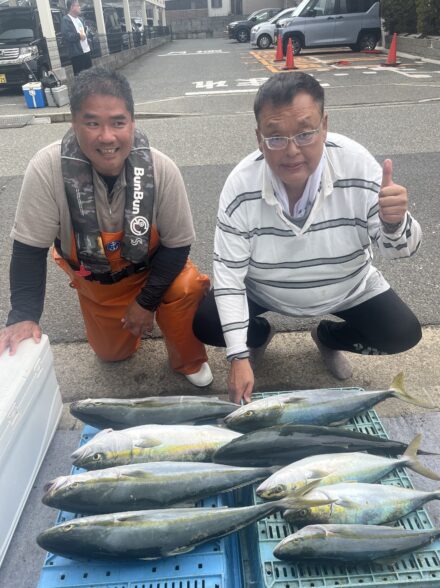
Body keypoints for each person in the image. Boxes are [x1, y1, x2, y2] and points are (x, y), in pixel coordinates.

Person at [193, 72, 422, 403]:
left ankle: (327, 337)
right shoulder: (240, 186)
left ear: (324, 125)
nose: (291, 151)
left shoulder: (358, 165)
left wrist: (394, 223)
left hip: (348, 287)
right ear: (259, 137)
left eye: (305, 133)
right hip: (266, 290)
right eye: (275, 137)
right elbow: (228, 277)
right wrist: (238, 357)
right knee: (205, 322)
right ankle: (256, 337)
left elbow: (401, 250)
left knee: (402, 333)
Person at [0, 66, 213, 387]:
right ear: (73, 124)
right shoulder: (47, 168)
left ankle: (187, 358)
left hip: (151, 271)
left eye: (118, 122)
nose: (107, 136)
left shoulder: (161, 168)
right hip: (97, 283)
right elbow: (29, 250)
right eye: (91, 123)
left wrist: (145, 304)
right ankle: (114, 324)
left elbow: (178, 245)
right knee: (111, 355)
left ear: (132, 122)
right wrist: (22, 316)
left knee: (186, 288)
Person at [61, 0, 93, 76]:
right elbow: (67, 35)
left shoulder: (80, 19)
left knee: (91, 76)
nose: (79, 7)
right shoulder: (66, 19)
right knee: (80, 77)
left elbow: (83, 32)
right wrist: (79, 36)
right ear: (72, 7)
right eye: (78, 5)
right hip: (77, 53)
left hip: (86, 51)